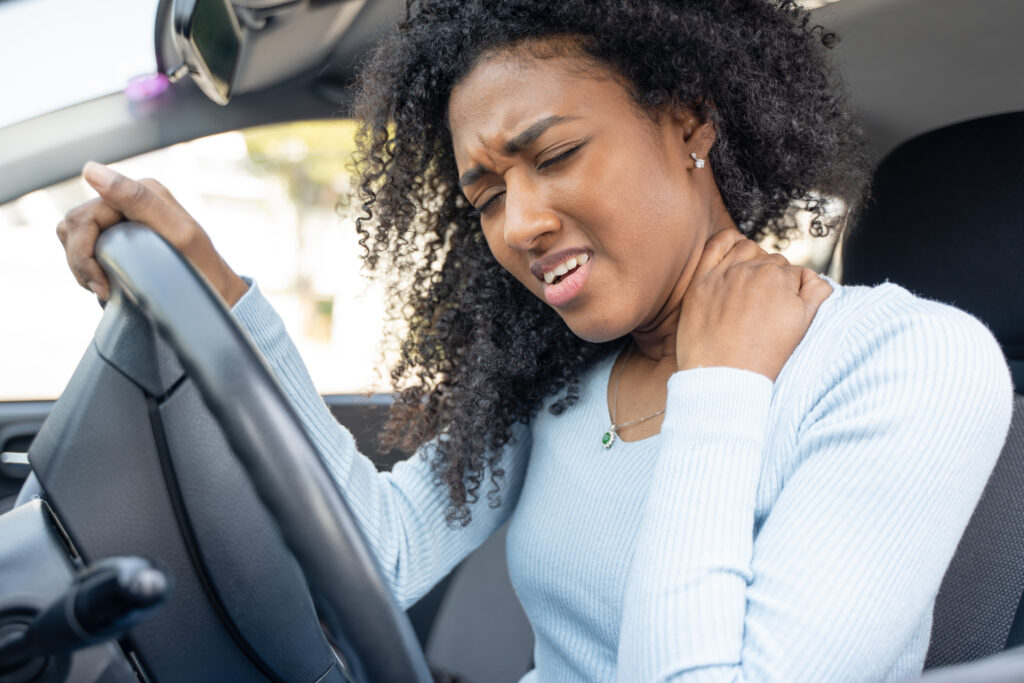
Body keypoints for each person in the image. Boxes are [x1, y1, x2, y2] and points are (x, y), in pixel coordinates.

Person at [56, 0, 1013, 680]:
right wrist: (221, 295)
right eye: (485, 196)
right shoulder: (562, 374)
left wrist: (719, 389)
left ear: (690, 122)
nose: (518, 225)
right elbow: (378, 554)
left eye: (554, 156)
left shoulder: (905, 359)